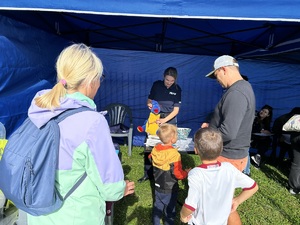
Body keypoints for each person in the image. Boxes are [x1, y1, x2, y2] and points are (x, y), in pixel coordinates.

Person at [26, 43, 135, 225]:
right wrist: (121, 189)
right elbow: (111, 188)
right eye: (100, 77)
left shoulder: (39, 110)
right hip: (76, 216)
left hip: (37, 215)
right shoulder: (92, 122)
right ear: (91, 80)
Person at [201, 55, 256, 225]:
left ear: (223, 69)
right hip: (230, 155)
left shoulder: (237, 93)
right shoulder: (242, 88)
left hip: (228, 157)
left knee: (223, 204)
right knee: (223, 202)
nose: (217, 81)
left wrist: (207, 134)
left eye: (216, 76)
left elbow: (229, 132)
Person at [180, 127, 258, 225]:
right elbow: (253, 187)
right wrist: (237, 200)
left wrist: (183, 215)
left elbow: (190, 205)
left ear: (196, 150)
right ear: (221, 149)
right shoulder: (229, 168)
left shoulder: (196, 174)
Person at [138, 67, 182, 183]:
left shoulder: (177, 89)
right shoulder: (157, 85)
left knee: (169, 146)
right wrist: (149, 104)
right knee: (150, 145)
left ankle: (168, 173)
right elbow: (149, 99)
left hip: (169, 119)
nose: (169, 83)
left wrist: (164, 121)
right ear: (164, 76)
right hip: (155, 117)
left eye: (172, 81)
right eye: (167, 80)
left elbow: (176, 110)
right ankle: (148, 173)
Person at [149, 123, 190, 225]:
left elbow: (150, 157)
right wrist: (187, 173)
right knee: (170, 210)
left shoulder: (155, 149)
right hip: (170, 188)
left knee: (157, 207)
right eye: (176, 135)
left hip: (157, 185)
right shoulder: (174, 154)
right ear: (172, 139)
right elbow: (178, 174)